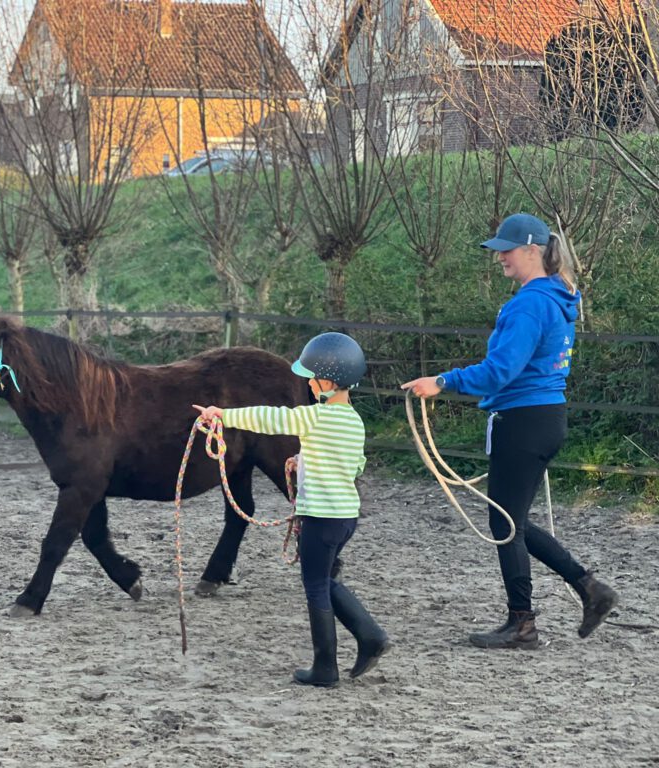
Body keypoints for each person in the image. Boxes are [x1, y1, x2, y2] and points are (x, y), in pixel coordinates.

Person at [402, 212, 618, 650]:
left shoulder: (529, 304)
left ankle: (524, 623)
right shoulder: (555, 297)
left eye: (507, 249)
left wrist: (442, 381)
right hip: (542, 417)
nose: (500, 257)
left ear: (532, 250)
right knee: (511, 521)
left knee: (505, 524)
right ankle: (588, 589)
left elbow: (499, 370)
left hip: (522, 421)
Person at [193, 332, 389, 687]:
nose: (309, 384)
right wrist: (307, 463)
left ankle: (328, 665)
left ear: (328, 381)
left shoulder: (314, 418)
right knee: (325, 579)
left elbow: (271, 419)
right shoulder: (354, 421)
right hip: (346, 517)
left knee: (315, 585)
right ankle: (369, 637)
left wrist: (222, 414)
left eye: (313, 378)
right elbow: (354, 465)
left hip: (321, 518)